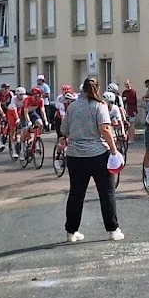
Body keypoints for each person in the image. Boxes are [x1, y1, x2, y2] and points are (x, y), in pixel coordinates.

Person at [61, 78, 122, 242]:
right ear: (97, 89)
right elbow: (105, 128)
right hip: (97, 154)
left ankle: (71, 231)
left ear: (83, 90)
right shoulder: (99, 105)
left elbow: (64, 129)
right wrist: (114, 150)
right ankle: (113, 229)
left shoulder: (72, 107)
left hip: (75, 155)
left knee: (76, 194)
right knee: (106, 192)